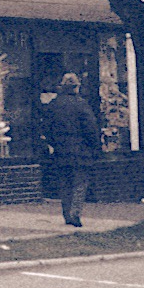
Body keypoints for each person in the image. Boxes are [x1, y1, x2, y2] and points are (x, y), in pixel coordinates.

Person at [44, 71, 100, 227]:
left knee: (65, 183)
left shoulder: (54, 105)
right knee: (79, 183)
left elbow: (46, 128)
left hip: (61, 151)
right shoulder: (81, 104)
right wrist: (95, 147)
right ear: (76, 87)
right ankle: (74, 213)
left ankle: (66, 214)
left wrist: (54, 143)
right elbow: (91, 128)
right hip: (80, 151)